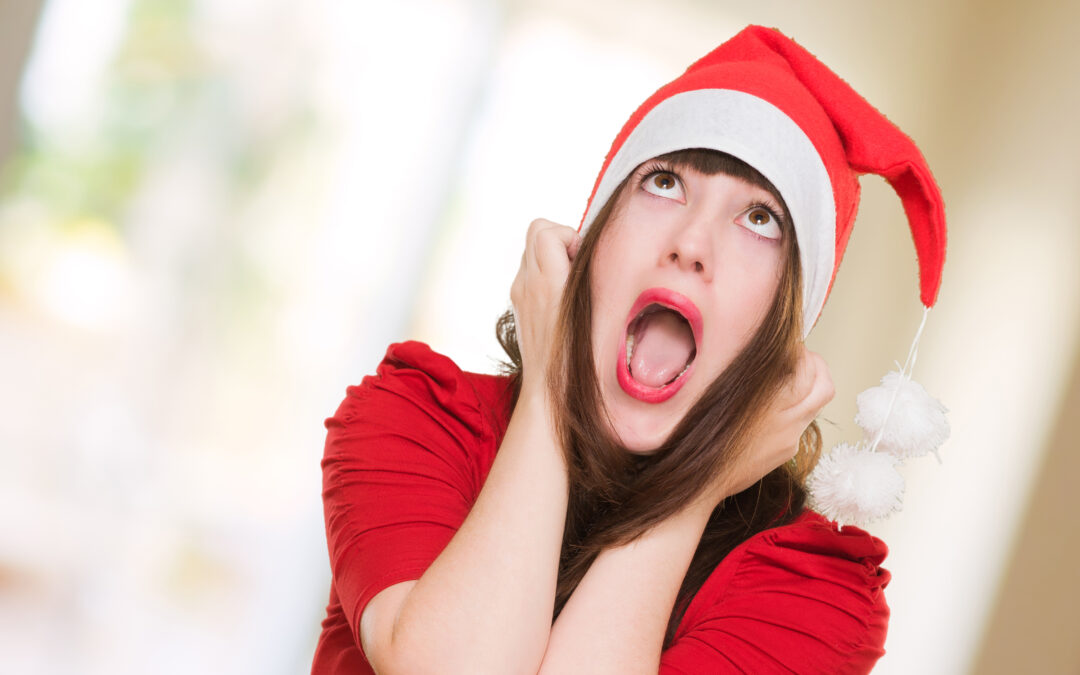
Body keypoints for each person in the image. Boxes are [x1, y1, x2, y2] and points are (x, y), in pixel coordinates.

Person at [311, 24, 947, 674]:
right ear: (587, 243)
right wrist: (553, 392)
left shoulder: (813, 593)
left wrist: (696, 489)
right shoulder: (419, 419)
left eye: (760, 219)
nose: (692, 243)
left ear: (784, 329)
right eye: (664, 183)